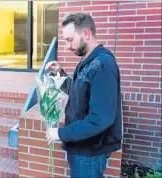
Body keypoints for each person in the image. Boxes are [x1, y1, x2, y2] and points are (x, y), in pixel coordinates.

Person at [45, 12, 122, 178]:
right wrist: (60, 73)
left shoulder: (102, 65)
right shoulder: (88, 61)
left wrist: (60, 133)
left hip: (90, 152)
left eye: (70, 39)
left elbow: (100, 119)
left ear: (86, 33)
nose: (67, 46)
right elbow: (79, 92)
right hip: (81, 146)